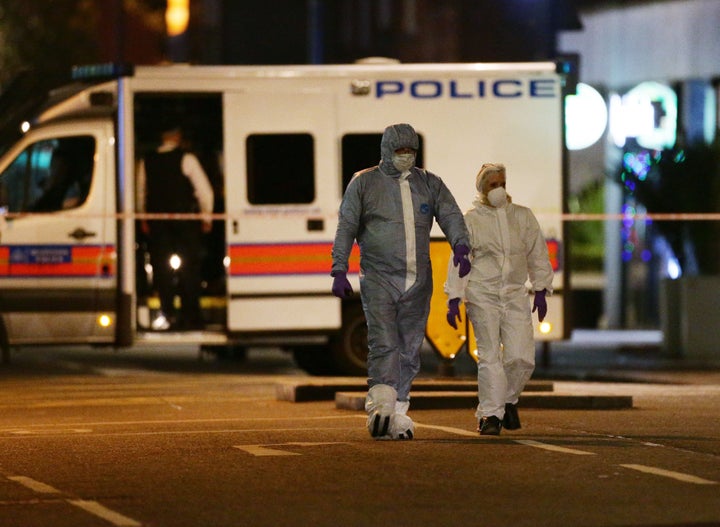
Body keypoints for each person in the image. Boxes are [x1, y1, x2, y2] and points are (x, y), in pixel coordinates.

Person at [331, 123, 471, 440]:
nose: (405, 156)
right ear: (386, 150)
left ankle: (397, 417)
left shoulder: (429, 184)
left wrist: (460, 244)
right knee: (384, 344)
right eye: (399, 151)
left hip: (418, 281)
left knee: (409, 350)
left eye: (410, 151)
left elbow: (450, 213)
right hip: (379, 276)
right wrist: (339, 267)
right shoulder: (364, 183)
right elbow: (346, 226)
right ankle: (380, 408)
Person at [445, 163, 553, 435]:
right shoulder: (471, 220)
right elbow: (459, 260)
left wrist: (541, 288)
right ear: (482, 189)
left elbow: (537, 253)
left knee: (521, 357)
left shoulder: (522, 217)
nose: (500, 190)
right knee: (490, 356)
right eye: (493, 185)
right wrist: (454, 296)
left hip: (515, 293)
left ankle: (507, 400)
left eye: (502, 183)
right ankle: (490, 416)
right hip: (482, 294)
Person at [136, 124, 214, 331]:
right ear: (177, 136)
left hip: (158, 223)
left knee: (162, 270)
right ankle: (191, 314)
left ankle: (168, 312)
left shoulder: (147, 161)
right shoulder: (186, 159)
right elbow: (204, 191)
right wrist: (206, 217)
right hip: (185, 222)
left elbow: (140, 192)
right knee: (189, 269)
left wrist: (144, 217)